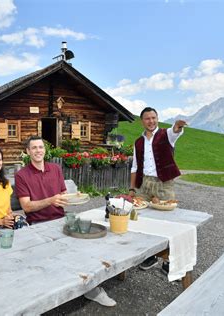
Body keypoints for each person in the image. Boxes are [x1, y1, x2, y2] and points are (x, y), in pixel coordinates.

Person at [15, 136, 116, 307]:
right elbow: (27, 207)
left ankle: (93, 289)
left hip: (62, 220)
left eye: (41, 147)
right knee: (50, 258)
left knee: (87, 249)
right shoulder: (21, 175)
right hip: (38, 225)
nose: (38, 150)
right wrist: (50, 200)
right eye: (34, 148)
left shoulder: (55, 169)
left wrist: (76, 198)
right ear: (28, 151)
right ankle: (48, 297)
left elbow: (63, 195)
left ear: (45, 150)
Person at [129, 107, 187, 273]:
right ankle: (150, 255)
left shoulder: (166, 134)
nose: (151, 121)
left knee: (168, 220)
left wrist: (178, 126)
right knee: (142, 219)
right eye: (147, 118)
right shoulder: (138, 142)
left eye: (154, 117)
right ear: (142, 121)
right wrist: (132, 189)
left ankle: (169, 261)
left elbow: (175, 131)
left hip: (163, 183)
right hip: (143, 184)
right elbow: (134, 166)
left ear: (158, 118)